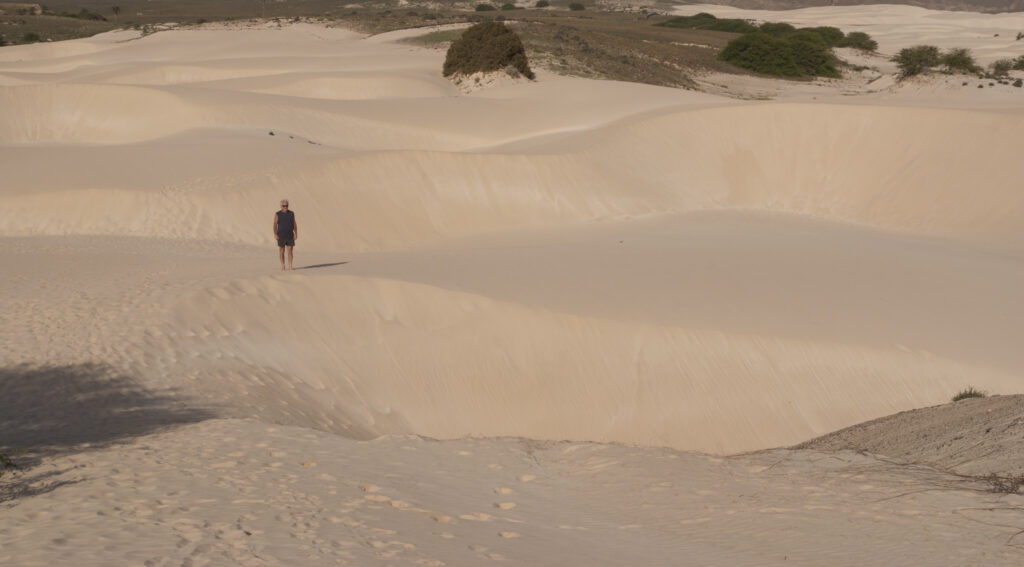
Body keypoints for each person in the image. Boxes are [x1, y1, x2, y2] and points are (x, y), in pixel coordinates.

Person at [273, 199, 298, 270]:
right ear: (281, 206)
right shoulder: (277, 214)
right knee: (282, 251)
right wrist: (275, 233)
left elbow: (294, 224)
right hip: (281, 235)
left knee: (290, 250)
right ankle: (283, 266)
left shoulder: (291, 213)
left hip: (290, 235)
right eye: (284, 206)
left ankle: (290, 266)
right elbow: (275, 224)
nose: (285, 207)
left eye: (286, 206)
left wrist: (296, 233)